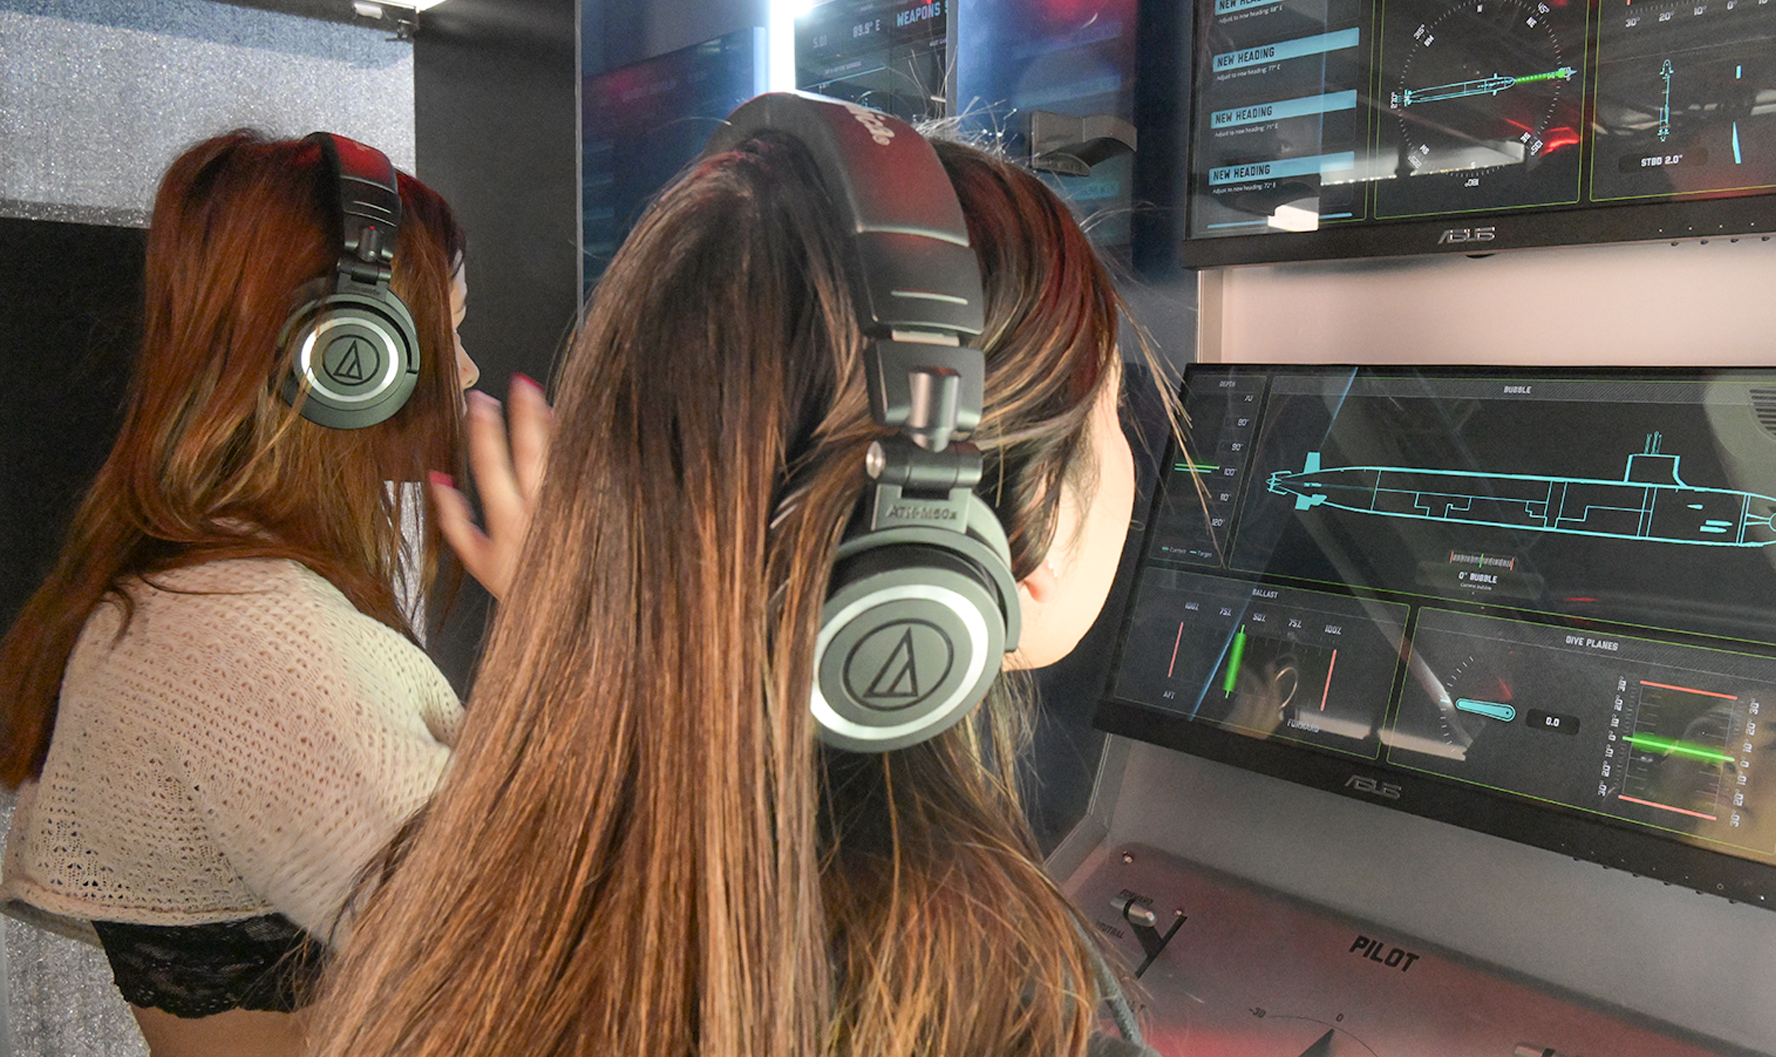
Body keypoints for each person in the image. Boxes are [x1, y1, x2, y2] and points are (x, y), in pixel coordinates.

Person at [311, 92, 1163, 1057]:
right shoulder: (997, 1004)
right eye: (1115, 406)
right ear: (959, 551)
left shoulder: (471, 873)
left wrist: (605, 620)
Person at [0, 130, 543, 1057]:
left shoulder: (202, 595)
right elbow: (541, 959)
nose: (466, 371)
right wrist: (566, 622)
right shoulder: (246, 643)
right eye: (445, 331)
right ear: (345, 358)